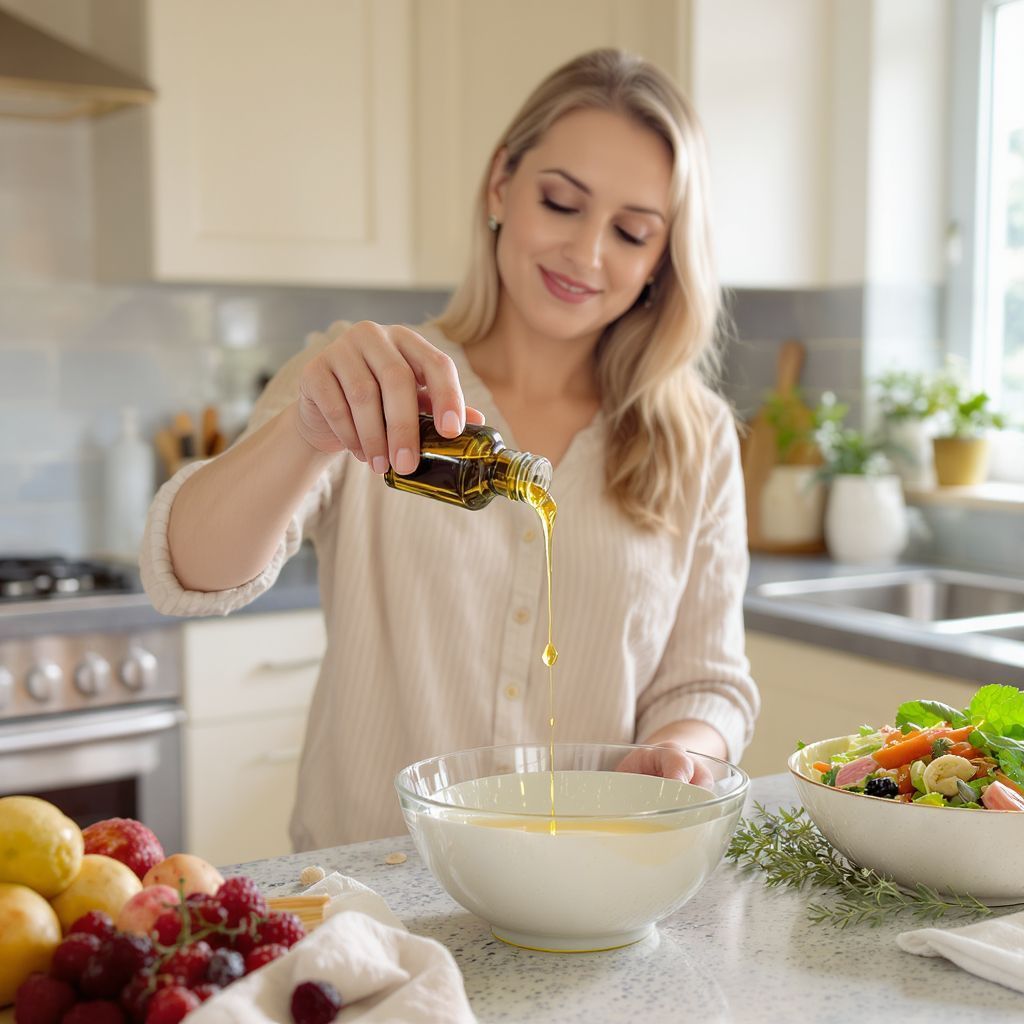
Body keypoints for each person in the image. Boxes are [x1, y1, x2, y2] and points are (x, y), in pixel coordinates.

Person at [141, 48, 760, 851]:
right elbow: (190, 574)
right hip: (372, 892)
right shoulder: (366, 381)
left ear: (660, 260)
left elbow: (707, 682)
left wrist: (679, 751)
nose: (587, 254)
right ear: (501, 184)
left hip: (586, 879)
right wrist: (304, 434)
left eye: (631, 231)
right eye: (561, 203)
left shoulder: (695, 437)